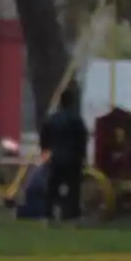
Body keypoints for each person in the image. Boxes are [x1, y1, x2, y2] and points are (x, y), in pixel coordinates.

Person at [40, 86, 88, 222]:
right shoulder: (76, 120)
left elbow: (44, 137)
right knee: (73, 187)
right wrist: (83, 157)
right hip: (72, 158)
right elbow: (82, 140)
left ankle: (48, 212)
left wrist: (45, 151)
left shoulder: (52, 119)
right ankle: (71, 213)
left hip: (55, 157)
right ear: (72, 102)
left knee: (52, 186)